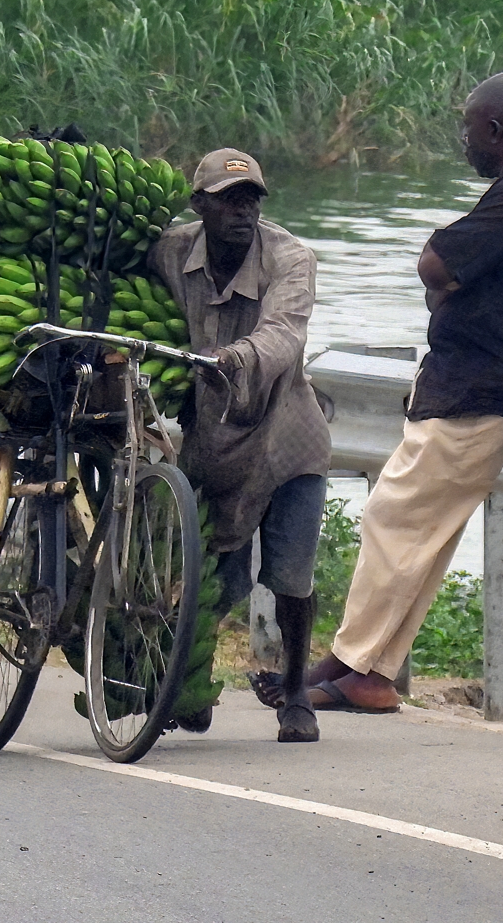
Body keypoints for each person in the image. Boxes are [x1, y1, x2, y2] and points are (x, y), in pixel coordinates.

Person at [294, 72, 503, 714]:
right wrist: (450, 285)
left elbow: (435, 264)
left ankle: (345, 661)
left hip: (478, 391)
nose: (464, 140)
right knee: (420, 532)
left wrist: (449, 283)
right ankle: (371, 675)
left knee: (393, 515)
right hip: (474, 387)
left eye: (469, 128)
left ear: (496, 131)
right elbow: (446, 277)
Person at [149, 148, 332, 743]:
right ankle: (191, 684)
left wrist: (235, 358)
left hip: (285, 437)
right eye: (229, 200)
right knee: (213, 580)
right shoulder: (173, 251)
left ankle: (297, 691)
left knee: (290, 575)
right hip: (215, 438)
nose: (242, 212)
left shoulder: (290, 259)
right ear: (200, 205)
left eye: (251, 199)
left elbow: (284, 334)